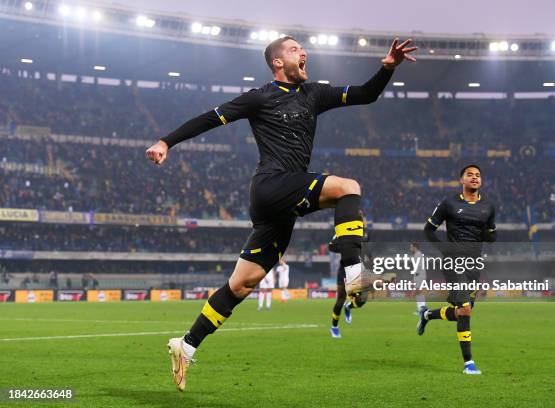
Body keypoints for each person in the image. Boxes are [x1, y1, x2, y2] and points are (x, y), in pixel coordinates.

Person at [146, 35, 417, 392]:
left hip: (280, 208)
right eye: (294, 49)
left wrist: (387, 68)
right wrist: (167, 141)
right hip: (272, 186)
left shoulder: (314, 94)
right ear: (277, 62)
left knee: (242, 284)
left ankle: (187, 344)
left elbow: (366, 93)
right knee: (348, 187)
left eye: (303, 49)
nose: (303, 53)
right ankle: (355, 275)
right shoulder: (260, 97)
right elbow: (209, 119)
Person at [417, 164, 496, 375]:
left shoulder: (488, 206)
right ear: (462, 180)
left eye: (478, 175)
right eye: (470, 175)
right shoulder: (449, 203)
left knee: (461, 312)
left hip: (473, 265)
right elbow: (429, 231)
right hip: (453, 263)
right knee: (466, 310)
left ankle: (427, 316)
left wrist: (487, 234)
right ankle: (468, 363)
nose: (474, 178)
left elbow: (492, 235)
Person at [329, 210, 369, 338]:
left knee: (362, 299)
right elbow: (331, 246)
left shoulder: (365, 233)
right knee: (340, 298)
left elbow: (366, 250)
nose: (362, 220)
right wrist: (346, 248)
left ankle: (349, 307)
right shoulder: (344, 230)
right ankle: (334, 327)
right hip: (344, 269)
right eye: (360, 217)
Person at [409, 242, 427, 314]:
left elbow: (419, 266)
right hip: (418, 275)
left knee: (418, 292)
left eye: (411, 247)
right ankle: (421, 309)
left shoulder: (418, 255)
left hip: (420, 275)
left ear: (414, 247)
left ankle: (422, 309)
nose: (410, 249)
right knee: (419, 294)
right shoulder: (417, 255)